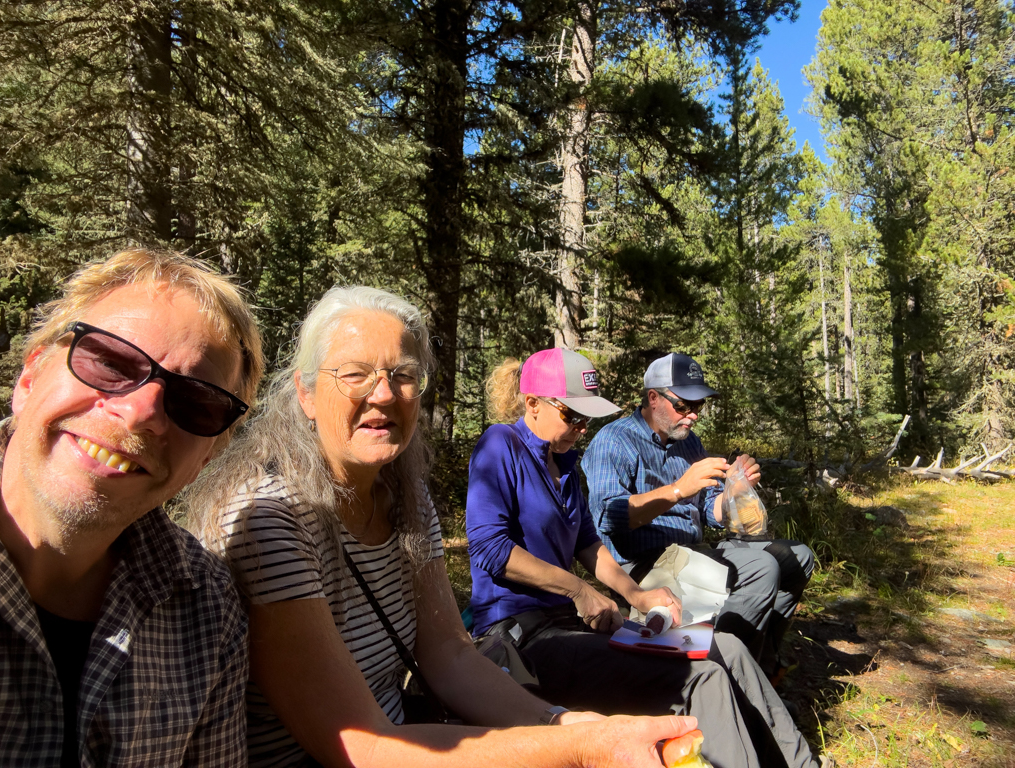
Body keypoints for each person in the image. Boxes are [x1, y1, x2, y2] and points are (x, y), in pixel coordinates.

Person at [188, 286, 699, 768]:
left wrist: (559, 721)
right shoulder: (270, 517)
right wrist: (570, 745)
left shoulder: (407, 501)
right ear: (305, 392)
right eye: (355, 374)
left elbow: (449, 653)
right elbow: (356, 746)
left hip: (410, 734)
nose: (384, 394)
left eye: (403, 376)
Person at [466, 348, 824, 768]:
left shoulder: (562, 463)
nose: (581, 429)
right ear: (532, 404)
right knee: (701, 677)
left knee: (726, 646)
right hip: (524, 635)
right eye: (572, 417)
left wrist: (638, 597)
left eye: (588, 420)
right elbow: (490, 549)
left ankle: (802, 765)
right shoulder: (501, 445)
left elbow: (588, 542)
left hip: (569, 625)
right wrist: (580, 591)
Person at [0, 248, 264, 766]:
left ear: (206, 458)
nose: (141, 412)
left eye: (194, 403)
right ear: (28, 380)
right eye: (111, 361)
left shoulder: (209, 612)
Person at [581, 352, 815, 679]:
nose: (692, 416)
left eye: (699, 406)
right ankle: (719, 678)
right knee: (762, 568)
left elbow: (709, 510)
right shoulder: (614, 440)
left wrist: (733, 492)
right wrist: (677, 489)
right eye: (683, 406)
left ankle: (760, 667)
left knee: (797, 557)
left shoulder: (689, 442)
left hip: (691, 552)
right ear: (653, 397)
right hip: (643, 562)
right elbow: (608, 517)